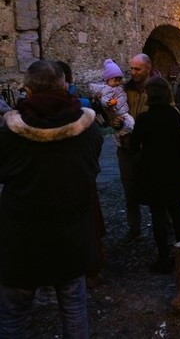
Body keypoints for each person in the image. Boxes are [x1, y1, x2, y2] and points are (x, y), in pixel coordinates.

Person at [0, 59, 103, 338]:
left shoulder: (9, 133)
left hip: (22, 238)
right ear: (65, 86)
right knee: (73, 310)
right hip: (70, 235)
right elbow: (91, 168)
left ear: (28, 92)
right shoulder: (89, 129)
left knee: (13, 316)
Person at [130, 77, 180, 273]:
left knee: (158, 214)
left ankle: (164, 258)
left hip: (153, 171)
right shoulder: (174, 115)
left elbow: (133, 145)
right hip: (174, 169)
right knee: (176, 211)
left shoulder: (144, 119)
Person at [113, 53, 153, 245]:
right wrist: (115, 121)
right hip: (127, 147)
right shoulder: (124, 90)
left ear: (148, 68)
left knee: (155, 187)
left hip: (149, 149)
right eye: (131, 68)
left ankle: (164, 224)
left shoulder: (156, 89)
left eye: (137, 69)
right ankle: (134, 228)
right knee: (130, 190)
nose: (133, 72)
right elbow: (115, 112)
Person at [91, 59, 135, 140]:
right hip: (118, 112)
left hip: (122, 110)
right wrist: (108, 103)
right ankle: (122, 134)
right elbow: (104, 99)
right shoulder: (107, 89)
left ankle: (123, 134)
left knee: (129, 123)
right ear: (108, 80)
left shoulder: (117, 87)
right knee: (130, 123)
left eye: (119, 80)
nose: (118, 82)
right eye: (115, 80)